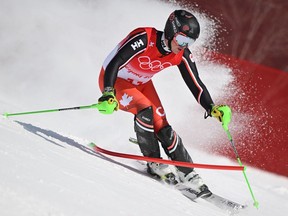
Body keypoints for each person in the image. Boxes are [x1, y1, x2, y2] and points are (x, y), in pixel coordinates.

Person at [97, 9, 230, 197]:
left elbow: (195, 83)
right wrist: (108, 92)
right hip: (114, 80)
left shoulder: (180, 54)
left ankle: (188, 172)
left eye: (189, 43)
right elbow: (115, 62)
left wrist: (212, 107)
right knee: (145, 110)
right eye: (182, 40)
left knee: (161, 123)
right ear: (170, 32)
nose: (184, 46)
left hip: (141, 83)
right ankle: (155, 162)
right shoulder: (144, 38)